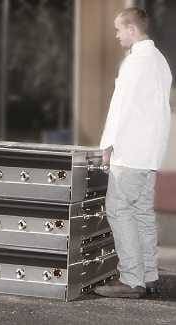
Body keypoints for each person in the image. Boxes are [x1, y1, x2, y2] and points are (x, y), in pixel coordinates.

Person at [94, 7, 172, 298]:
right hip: (149, 154)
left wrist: (107, 144)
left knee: (118, 209)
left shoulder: (135, 62)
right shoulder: (160, 61)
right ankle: (149, 276)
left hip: (130, 153)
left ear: (131, 29)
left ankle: (130, 280)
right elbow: (162, 112)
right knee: (141, 213)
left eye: (118, 30)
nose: (116, 35)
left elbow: (120, 107)